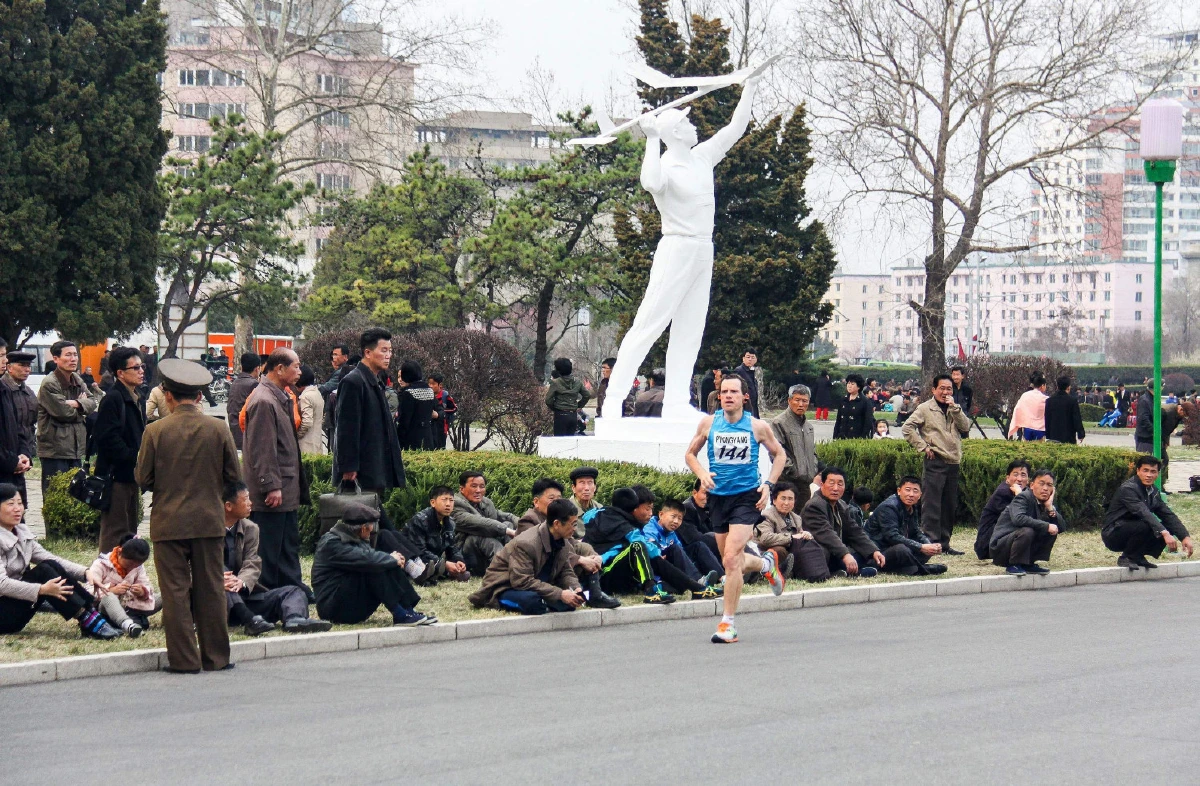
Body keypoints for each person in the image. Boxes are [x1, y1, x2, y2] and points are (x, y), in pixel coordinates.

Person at [601, 73, 760, 420]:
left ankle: (675, 402)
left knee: (690, 329)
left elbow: (736, 128)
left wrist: (750, 85)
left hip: (704, 250)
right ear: (674, 133)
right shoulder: (665, 166)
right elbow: (650, 181)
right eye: (686, 124)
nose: (694, 127)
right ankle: (613, 398)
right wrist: (651, 139)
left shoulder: (702, 157)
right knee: (649, 324)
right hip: (676, 248)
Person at [135, 358, 241, 673]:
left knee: (175, 591)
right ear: (198, 396)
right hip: (209, 520)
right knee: (210, 588)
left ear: (167, 395)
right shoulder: (218, 428)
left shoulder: (155, 430)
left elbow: (143, 478)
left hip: (168, 522)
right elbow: (233, 475)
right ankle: (216, 657)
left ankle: (183, 660)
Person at [684, 374, 787, 644]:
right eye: (724, 391)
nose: (728, 395)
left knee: (731, 559)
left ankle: (727, 624)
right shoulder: (708, 423)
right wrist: (702, 473)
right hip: (718, 498)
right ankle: (765, 564)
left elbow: (780, 455)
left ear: (745, 397)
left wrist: (768, 485)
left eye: (734, 391)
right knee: (733, 563)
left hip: (746, 498)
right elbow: (690, 454)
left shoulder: (757, 427)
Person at [0, 483, 121, 637]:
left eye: (20, 503)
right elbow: (1, 584)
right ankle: (88, 620)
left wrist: (86, 573)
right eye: (10, 504)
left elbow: (50, 558)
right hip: (3, 614)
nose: (17, 509)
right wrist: (41, 590)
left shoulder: (22, 533)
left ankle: (91, 614)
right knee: (43, 571)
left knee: (49, 565)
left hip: (18, 604)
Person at [221, 481, 330, 636]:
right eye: (245, 499)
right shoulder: (207, 530)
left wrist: (241, 582)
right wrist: (220, 580)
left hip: (245, 596)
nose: (250, 503)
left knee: (293, 591)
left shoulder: (250, 528)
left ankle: (295, 619)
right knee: (223, 579)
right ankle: (249, 619)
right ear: (228, 506)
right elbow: (203, 566)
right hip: (216, 601)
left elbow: (252, 562)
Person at [242, 348, 307, 598]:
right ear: (279, 369)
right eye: (296, 366)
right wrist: (271, 485)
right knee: (269, 546)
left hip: (286, 486)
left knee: (287, 543)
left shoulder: (279, 395)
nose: (299, 371)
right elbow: (262, 449)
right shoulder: (263, 400)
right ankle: (268, 592)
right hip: (274, 490)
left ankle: (291, 586)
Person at [311, 502, 433, 626]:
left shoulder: (358, 539)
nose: (372, 530)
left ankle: (408, 611)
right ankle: (400, 615)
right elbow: (365, 559)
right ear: (364, 528)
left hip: (352, 603)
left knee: (384, 563)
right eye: (371, 526)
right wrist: (391, 559)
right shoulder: (332, 542)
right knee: (374, 565)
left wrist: (393, 561)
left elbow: (372, 558)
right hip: (333, 609)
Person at [334, 328, 407, 528]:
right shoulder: (354, 381)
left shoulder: (375, 380)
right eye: (383, 350)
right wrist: (348, 468)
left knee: (374, 523)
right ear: (367, 352)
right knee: (368, 524)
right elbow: (347, 429)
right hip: (362, 470)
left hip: (375, 465)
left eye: (390, 351)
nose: (388, 355)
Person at [469, 498, 587, 615]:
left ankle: (545, 601)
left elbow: (566, 571)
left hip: (536, 584)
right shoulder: (526, 543)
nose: (574, 529)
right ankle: (499, 599)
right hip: (507, 585)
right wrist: (559, 594)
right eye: (573, 524)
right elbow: (521, 581)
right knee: (533, 603)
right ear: (556, 524)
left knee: (568, 604)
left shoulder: (564, 543)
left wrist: (575, 588)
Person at [584, 486, 695, 603]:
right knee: (639, 547)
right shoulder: (623, 526)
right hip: (602, 574)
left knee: (674, 578)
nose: (651, 513)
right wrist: (657, 553)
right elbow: (642, 546)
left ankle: (693, 586)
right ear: (634, 507)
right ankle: (653, 590)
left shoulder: (604, 516)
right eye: (647, 509)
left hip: (612, 571)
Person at [902, 373, 971, 555]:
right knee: (932, 505)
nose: (945, 392)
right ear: (933, 389)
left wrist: (955, 409)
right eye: (942, 388)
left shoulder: (954, 408)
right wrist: (923, 446)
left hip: (953, 461)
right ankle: (931, 543)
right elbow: (907, 428)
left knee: (949, 505)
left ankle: (945, 544)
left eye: (949, 389)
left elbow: (965, 427)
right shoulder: (925, 408)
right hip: (935, 461)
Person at [93, 346, 148, 551]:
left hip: (131, 475)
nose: (141, 371)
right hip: (116, 477)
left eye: (142, 366)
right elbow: (106, 438)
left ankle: (126, 578)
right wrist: (134, 456)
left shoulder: (136, 397)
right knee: (115, 534)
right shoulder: (113, 398)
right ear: (120, 373)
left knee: (129, 532)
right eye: (136, 367)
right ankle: (106, 577)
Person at [1102, 455, 1192, 570]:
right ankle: (1127, 557)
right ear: (1138, 471)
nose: (1149, 475)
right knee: (1149, 525)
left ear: (1158, 474)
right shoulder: (1128, 489)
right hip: (1113, 533)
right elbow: (1142, 512)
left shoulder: (1153, 491)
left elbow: (1167, 515)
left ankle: (1137, 556)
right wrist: (1164, 533)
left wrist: (1185, 537)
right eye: (1145, 470)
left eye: (1153, 471)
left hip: (1132, 530)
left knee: (1164, 525)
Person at [801, 467, 885, 579]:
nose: (835, 488)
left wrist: (874, 551)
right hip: (819, 551)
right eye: (831, 483)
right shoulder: (814, 505)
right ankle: (846, 571)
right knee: (829, 554)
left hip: (836, 551)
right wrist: (845, 555)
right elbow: (827, 534)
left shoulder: (841, 505)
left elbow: (854, 531)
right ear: (822, 484)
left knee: (869, 554)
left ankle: (849, 570)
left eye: (840, 484)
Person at [36, 340, 97, 493]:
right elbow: (63, 413)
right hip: (55, 450)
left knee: (74, 496)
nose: (73, 359)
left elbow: (92, 402)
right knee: (55, 496)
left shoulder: (76, 379)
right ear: (56, 359)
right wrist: (81, 407)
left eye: (75, 355)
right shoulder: (49, 383)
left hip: (74, 448)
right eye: (68, 355)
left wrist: (77, 403)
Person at [641, 498, 723, 597]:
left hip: (673, 566)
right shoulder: (650, 527)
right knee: (675, 548)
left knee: (698, 546)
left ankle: (723, 578)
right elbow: (651, 550)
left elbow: (681, 555)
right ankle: (699, 582)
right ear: (661, 514)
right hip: (659, 566)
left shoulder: (671, 532)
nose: (676, 521)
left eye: (680, 518)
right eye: (673, 516)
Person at [866, 478, 947, 576]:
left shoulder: (912, 507)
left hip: (898, 549)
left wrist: (929, 545)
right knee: (902, 549)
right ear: (899, 491)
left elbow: (916, 532)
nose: (911, 494)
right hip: (878, 553)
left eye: (915, 491)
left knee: (926, 545)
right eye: (907, 490)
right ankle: (921, 569)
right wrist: (920, 547)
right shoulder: (889, 507)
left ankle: (908, 568)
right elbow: (892, 537)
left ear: (920, 495)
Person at [989, 469, 1061, 575]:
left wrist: (1050, 508)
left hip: (1016, 541)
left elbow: (1061, 527)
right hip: (1001, 547)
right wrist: (1046, 526)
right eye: (1041, 484)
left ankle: (1028, 564)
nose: (1045, 488)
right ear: (1032, 485)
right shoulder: (1023, 497)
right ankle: (1013, 565)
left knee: (1050, 529)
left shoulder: (1043, 503)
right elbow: (1018, 518)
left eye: (1049, 485)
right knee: (1029, 531)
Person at [86, 534, 158, 637]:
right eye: (129, 565)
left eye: (136, 566)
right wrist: (112, 590)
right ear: (119, 552)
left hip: (132, 606)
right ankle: (128, 625)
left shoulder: (138, 567)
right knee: (109, 598)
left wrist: (142, 592)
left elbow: (146, 585)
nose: (131, 568)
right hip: (105, 609)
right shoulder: (101, 564)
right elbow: (88, 591)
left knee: (165, 597)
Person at [755, 482, 828, 582]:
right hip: (764, 553)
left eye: (790, 499)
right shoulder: (767, 516)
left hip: (791, 553)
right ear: (774, 500)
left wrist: (805, 535)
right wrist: (791, 537)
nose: (786, 503)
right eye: (783, 498)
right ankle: (767, 574)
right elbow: (765, 538)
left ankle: (816, 574)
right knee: (779, 550)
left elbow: (799, 536)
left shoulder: (796, 518)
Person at [453, 471, 519, 576]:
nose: (478, 491)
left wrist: (525, 525)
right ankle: (505, 571)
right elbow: (480, 523)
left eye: (482, 486)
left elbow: (504, 515)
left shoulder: (486, 502)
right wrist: (508, 531)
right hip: (463, 555)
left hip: (484, 556)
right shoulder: (455, 504)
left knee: (508, 523)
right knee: (483, 538)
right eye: (474, 486)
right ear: (462, 489)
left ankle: (517, 566)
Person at [405, 486, 470, 586]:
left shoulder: (450, 523)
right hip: (413, 558)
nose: (448, 504)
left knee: (462, 572)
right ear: (433, 502)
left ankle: (443, 571)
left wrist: (459, 561)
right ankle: (429, 573)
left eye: (451, 500)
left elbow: (453, 548)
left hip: (433, 560)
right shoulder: (420, 520)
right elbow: (419, 550)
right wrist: (444, 563)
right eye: (444, 500)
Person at [771, 384, 819, 507]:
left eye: (804, 401)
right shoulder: (779, 423)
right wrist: (793, 471)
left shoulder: (809, 427)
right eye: (797, 400)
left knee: (802, 521)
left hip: (805, 484)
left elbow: (812, 452)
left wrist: (813, 468)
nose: (801, 404)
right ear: (789, 400)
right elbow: (775, 452)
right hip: (786, 483)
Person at [973, 459, 1031, 560]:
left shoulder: (1025, 491)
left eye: (1023, 475)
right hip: (987, 546)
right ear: (1008, 478)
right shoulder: (1003, 492)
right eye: (1015, 474)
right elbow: (1017, 518)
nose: (1019, 479)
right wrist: (1019, 496)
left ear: (1028, 479)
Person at [1, 350, 37, 505]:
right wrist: (10, 460)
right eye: (22, 365)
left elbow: (27, 427)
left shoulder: (28, 392)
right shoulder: (5, 389)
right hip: (6, 461)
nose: (27, 369)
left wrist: (25, 454)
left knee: (18, 511)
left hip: (19, 456)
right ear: (9, 367)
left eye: (29, 366)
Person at [679, 479, 723, 572]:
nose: (707, 498)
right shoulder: (687, 509)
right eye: (704, 493)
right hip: (693, 553)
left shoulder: (710, 508)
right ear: (695, 492)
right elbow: (695, 538)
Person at [396, 360, 437, 450]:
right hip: (427, 437)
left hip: (412, 439)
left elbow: (404, 420)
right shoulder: (429, 390)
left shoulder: (408, 393)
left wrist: (398, 439)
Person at [226, 352, 263, 450]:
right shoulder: (253, 384)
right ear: (257, 369)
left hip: (234, 430)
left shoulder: (236, 382)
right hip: (246, 434)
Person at [545, 358, 590, 436]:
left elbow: (548, 400)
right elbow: (587, 395)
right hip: (573, 415)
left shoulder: (555, 382)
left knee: (560, 442)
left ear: (558, 370)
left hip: (560, 415)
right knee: (570, 442)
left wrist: (555, 408)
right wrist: (579, 405)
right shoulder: (577, 382)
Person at [1045, 375, 1085, 444]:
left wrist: (1048, 434)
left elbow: (1047, 418)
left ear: (1057, 386)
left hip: (1054, 435)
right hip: (1068, 435)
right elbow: (1077, 418)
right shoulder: (1072, 401)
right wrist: (1080, 433)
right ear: (1068, 387)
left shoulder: (1049, 401)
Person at [1007, 372, 1048, 441]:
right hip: (1041, 429)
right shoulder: (1045, 398)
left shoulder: (1025, 395)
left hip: (1027, 428)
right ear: (1042, 385)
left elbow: (1017, 409)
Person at [832, 373, 873, 440]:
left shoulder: (865, 402)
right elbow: (838, 420)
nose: (849, 386)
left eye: (852, 384)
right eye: (848, 383)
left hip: (856, 437)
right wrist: (835, 436)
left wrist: (863, 438)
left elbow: (867, 423)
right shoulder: (843, 400)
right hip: (842, 436)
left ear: (859, 386)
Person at [296, 364, 325, 455]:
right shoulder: (316, 393)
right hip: (317, 441)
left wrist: (297, 435)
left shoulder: (305, 397)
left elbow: (307, 421)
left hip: (306, 444)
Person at [428, 373, 455, 450]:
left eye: (433, 384)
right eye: (429, 383)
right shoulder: (427, 395)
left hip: (442, 427)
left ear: (440, 385)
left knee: (440, 447)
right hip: (430, 426)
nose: (431, 386)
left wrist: (441, 413)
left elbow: (454, 408)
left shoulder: (445, 396)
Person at [732, 350, 761, 418]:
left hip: (753, 406)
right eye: (748, 357)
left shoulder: (753, 371)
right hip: (743, 407)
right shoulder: (739, 370)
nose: (750, 359)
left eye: (753, 357)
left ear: (756, 359)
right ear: (743, 358)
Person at [950, 365, 973, 437]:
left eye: (957, 374)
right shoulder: (948, 388)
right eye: (953, 374)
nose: (955, 377)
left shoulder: (968, 390)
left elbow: (968, 405)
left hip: (963, 419)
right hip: (950, 420)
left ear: (962, 376)